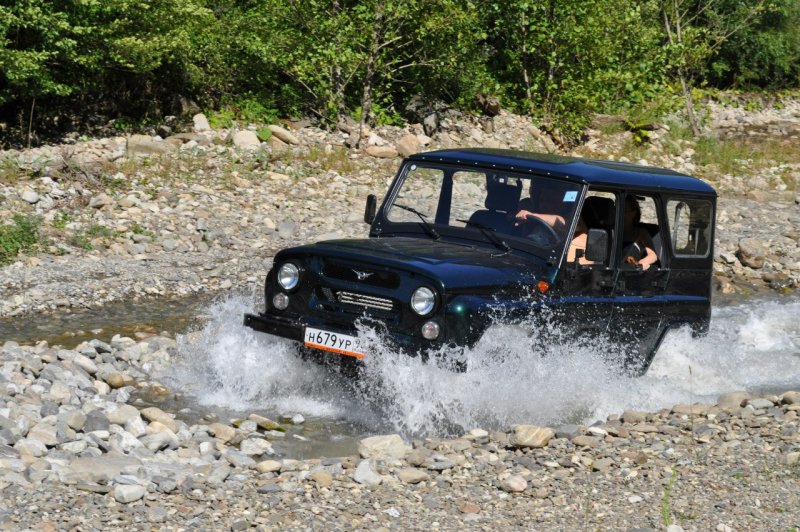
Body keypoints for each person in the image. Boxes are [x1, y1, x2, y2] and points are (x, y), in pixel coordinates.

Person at [622, 195, 658, 270]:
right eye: (617, 209)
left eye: (624, 211)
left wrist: (643, 262)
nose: (620, 214)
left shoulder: (641, 233)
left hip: (631, 273)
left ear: (634, 213)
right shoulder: (610, 231)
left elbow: (653, 255)